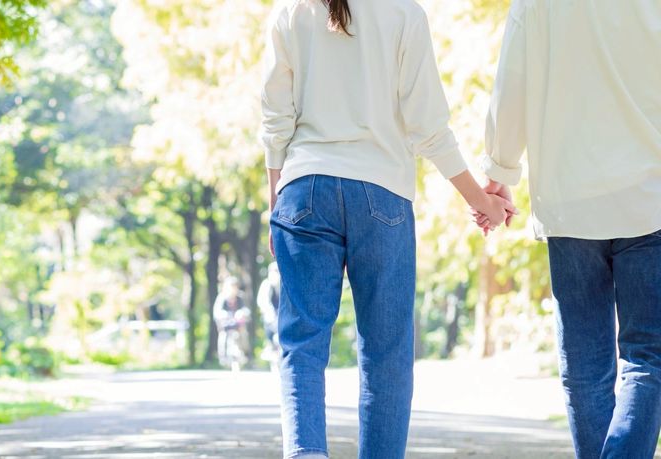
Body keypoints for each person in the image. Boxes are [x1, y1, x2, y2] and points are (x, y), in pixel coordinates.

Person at [260, 1, 515, 457]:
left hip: (303, 189)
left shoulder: (292, 11)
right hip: (382, 194)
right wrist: (481, 201)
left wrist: (275, 204)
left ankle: (305, 451)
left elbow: (275, 120)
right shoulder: (403, 13)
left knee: (302, 342)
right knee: (386, 353)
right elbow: (429, 129)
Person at [479, 1, 661, 457]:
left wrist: (500, 170)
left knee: (584, 368)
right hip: (649, 196)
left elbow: (511, 85)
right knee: (649, 357)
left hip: (570, 200)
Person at [213, 276, 251, 370]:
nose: (233, 290)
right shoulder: (221, 298)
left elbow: (246, 310)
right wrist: (223, 314)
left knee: (244, 334)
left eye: (234, 287)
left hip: (238, 324)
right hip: (226, 325)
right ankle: (223, 357)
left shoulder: (240, 297)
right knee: (223, 337)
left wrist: (242, 313)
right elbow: (216, 311)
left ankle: (245, 354)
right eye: (231, 287)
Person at [257, 262, 281, 361]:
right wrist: (270, 314)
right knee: (271, 333)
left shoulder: (282, 285)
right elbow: (263, 302)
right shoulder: (266, 285)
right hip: (270, 316)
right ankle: (269, 347)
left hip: (281, 315)